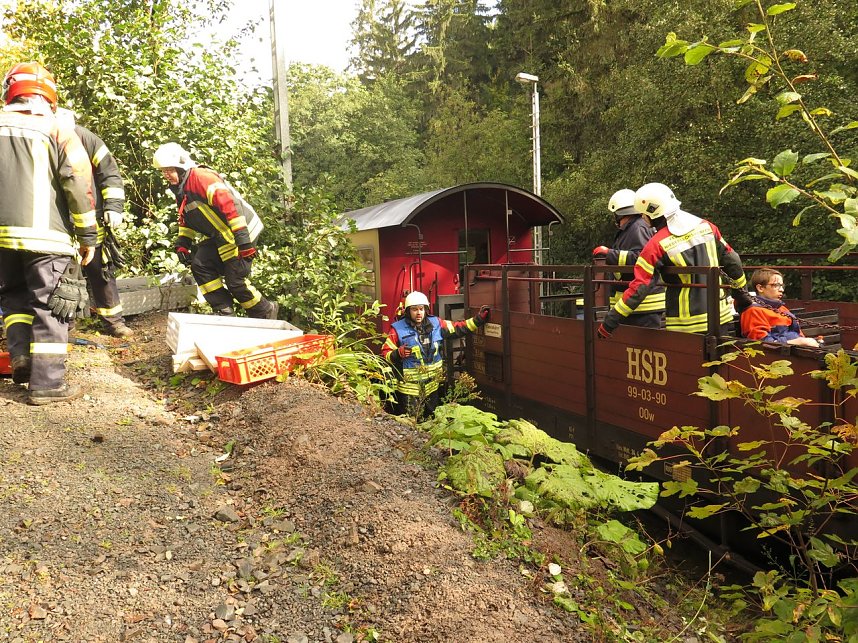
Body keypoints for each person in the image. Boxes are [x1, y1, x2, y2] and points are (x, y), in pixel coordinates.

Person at [0, 61, 97, 404]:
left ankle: (22, 358)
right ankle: (48, 385)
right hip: (46, 236)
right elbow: (77, 180)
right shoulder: (58, 128)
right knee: (50, 305)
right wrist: (87, 236)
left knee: (13, 296)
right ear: (49, 97)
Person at [598, 182, 751, 338]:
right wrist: (742, 297)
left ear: (653, 213)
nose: (642, 217)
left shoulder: (656, 245)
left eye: (644, 214)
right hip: (720, 317)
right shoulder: (707, 227)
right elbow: (733, 261)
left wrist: (611, 320)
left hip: (685, 325)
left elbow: (640, 287)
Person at [152, 142, 277, 319]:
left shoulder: (202, 179)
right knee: (200, 265)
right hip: (222, 235)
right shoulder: (181, 188)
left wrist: (244, 242)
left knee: (235, 280)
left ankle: (265, 311)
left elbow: (232, 207)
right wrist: (183, 243)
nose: (166, 175)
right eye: (163, 171)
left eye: (169, 170)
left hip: (242, 230)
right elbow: (186, 218)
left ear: (181, 167)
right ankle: (224, 311)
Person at [57, 109, 133, 338]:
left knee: (101, 271)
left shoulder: (87, 139)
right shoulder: (45, 138)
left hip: (91, 218)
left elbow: (109, 172)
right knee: (61, 274)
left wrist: (114, 207)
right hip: (59, 222)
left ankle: (114, 322)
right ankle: (65, 326)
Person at [381, 291, 490, 417]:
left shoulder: (436, 324)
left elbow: (458, 328)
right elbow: (385, 354)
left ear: (426, 310)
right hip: (409, 391)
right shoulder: (397, 329)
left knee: (431, 420)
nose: (418, 313)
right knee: (411, 422)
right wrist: (397, 353)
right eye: (414, 309)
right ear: (408, 311)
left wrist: (478, 319)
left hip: (432, 387)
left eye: (421, 309)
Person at [593, 188, 665, 328]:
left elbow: (642, 258)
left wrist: (609, 253)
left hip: (643, 306)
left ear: (619, 213)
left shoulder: (638, 228)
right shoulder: (633, 228)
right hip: (635, 306)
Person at [740, 269, 820, 347]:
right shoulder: (753, 311)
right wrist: (798, 342)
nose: (781, 290)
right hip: (778, 353)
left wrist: (806, 342)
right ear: (760, 288)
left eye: (781, 286)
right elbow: (763, 343)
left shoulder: (782, 309)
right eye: (776, 285)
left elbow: (798, 334)